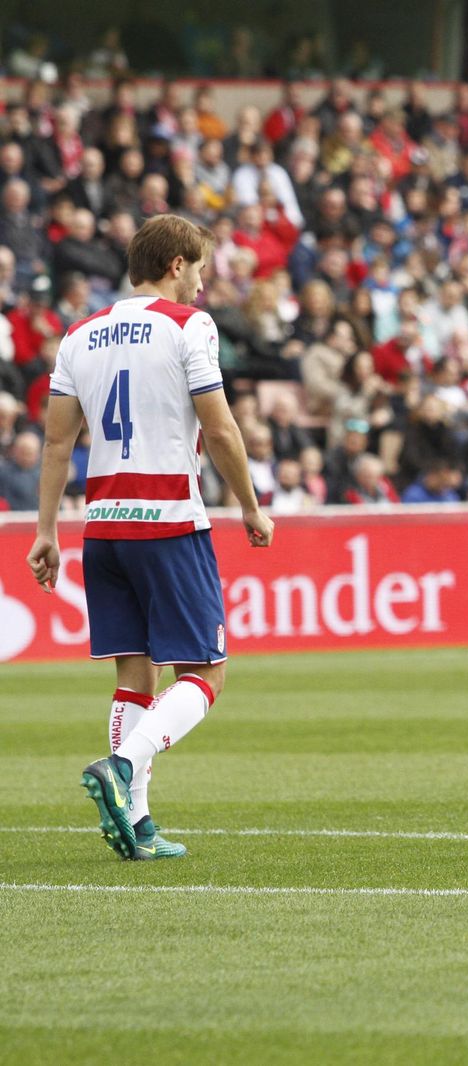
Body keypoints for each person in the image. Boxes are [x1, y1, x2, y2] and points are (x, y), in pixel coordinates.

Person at [25, 214, 274, 862]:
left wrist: (46, 531)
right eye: (197, 270)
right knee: (207, 672)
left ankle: (136, 827)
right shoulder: (190, 326)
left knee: (135, 674)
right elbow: (219, 431)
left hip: (102, 528)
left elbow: (57, 441)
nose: (199, 285)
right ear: (175, 265)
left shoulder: (78, 335)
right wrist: (250, 507)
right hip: (166, 521)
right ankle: (122, 766)